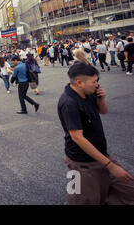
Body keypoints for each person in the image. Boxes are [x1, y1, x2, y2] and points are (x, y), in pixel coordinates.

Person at [57, 62, 134, 204]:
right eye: (94, 81)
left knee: (128, 190)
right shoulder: (69, 103)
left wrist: (101, 98)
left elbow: (103, 111)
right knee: (81, 200)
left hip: (100, 153)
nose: (96, 84)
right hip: (80, 163)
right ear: (80, 82)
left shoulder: (89, 92)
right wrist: (110, 165)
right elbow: (77, 138)